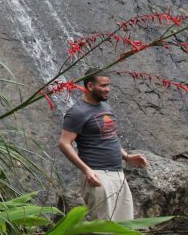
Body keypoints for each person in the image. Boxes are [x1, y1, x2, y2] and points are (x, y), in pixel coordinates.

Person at [58, 72, 149, 221]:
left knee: (125, 226)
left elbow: (109, 137)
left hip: (118, 174)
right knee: (104, 228)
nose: (108, 89)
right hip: (98, 176)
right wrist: (86, 170)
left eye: (108, 85)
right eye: (103, 85)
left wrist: (127, 156)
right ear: (90, 86)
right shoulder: (77, 112)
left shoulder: (105, 106)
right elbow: (64, 143)